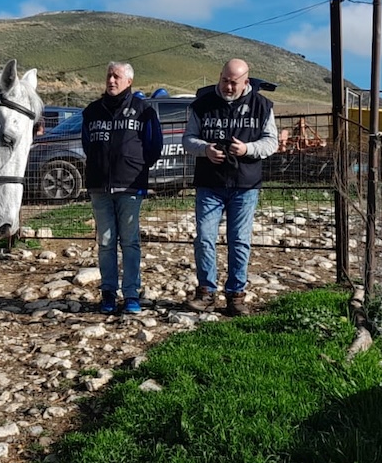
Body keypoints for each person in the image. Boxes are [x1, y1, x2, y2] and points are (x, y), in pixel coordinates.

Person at [183, 58, 278, 316]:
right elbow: (187, 139)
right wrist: (205, 150)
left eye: (234, 82)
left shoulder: (262, 106)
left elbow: (271, 143)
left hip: (245, 184)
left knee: (239, 241)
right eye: (224, 80)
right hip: (209, 183)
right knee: (204, 238)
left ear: (246, 81)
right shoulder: (202, 105)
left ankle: (236, 295)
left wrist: (248, 149)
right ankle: (206, 292)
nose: (228, 86)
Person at [80, 61, 163, 314]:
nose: (111, 81)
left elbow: (154, 146)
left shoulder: (143, 110)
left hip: (130, 186)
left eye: (116, 76)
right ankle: (107, 293)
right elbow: (87, 145)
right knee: (105, 242)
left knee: (129, 241)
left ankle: (130, 295)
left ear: (129, 81)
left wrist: (132, 166)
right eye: (108, 76)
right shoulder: (92, 111)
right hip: (99, 187)